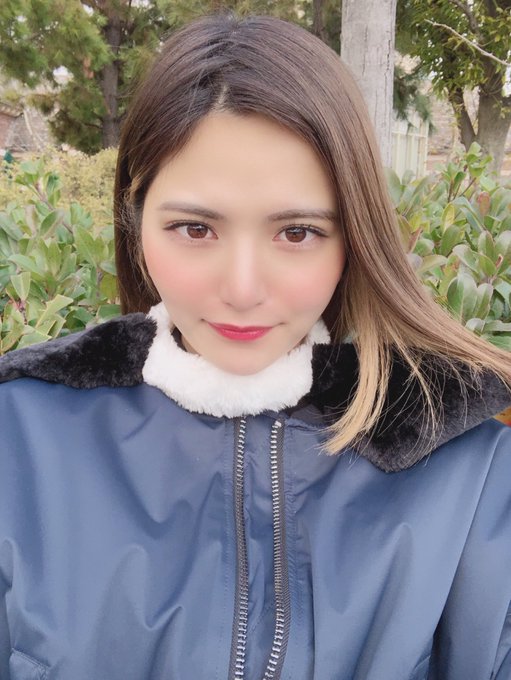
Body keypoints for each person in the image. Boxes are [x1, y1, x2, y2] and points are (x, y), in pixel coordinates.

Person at [0, 13, 510, 680]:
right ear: (134, 220)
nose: (242, 290)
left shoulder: (472, 469)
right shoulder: (19, 437)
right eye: (195, 228)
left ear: (354, 237)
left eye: (296, 233)